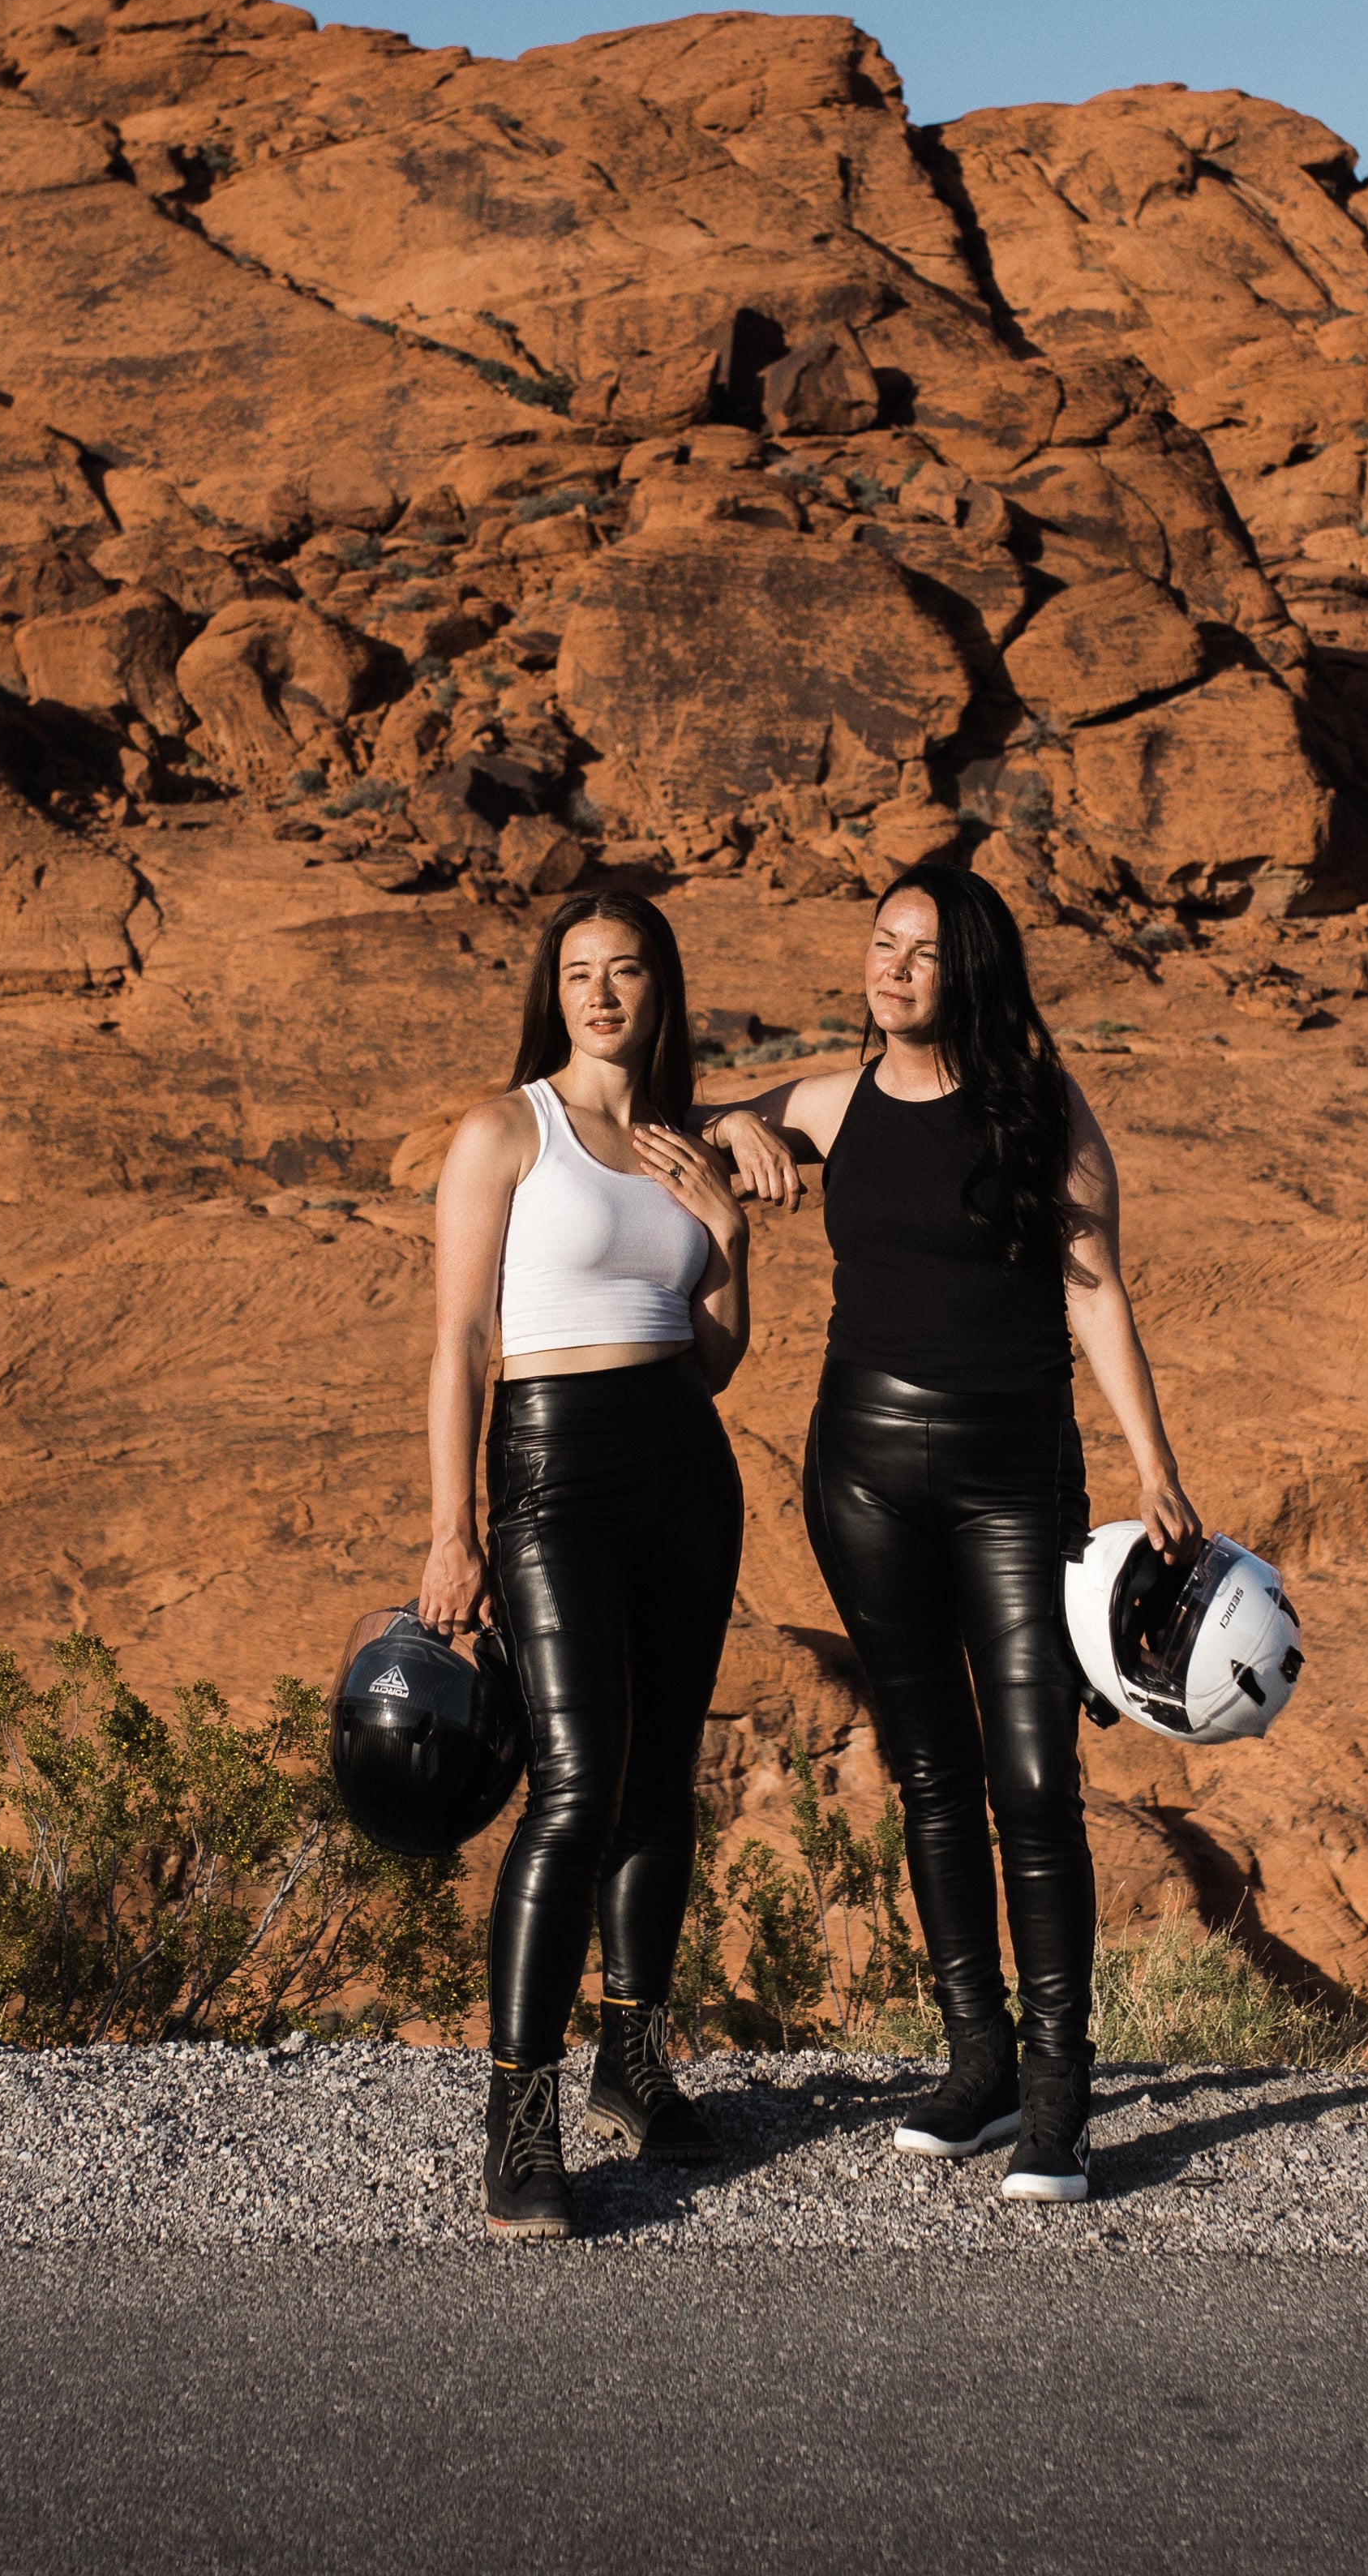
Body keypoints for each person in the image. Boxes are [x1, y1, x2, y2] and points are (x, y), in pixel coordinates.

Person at [708, 858, 1203, 2206]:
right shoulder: (827, 1099)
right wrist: (739, 1130)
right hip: (863, 1471)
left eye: (922, 951)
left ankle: (1060, 2095)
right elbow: (688, 1134)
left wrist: (1153, 1465)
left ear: (969, 972)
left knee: (1033, 1778)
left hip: (1010, 1473)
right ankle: (976, 2061)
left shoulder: (1040, 1106)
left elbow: (1095, 1290)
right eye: (882, 943)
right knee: (930, 1773)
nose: (894, 967)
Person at [415, 889, 752, 2239]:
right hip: (552, 1471)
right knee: (575, 1790)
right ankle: (518, 2118)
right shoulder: (508, 1130)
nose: (602, 995)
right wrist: (453, 1527)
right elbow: (457, 1346)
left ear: (664, 988)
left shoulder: (677, 1145)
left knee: (665, 1781)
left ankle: (632, 2058)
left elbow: (720, 1356)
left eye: (625, 972)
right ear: (552, 993)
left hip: (685, 1461)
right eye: (578, 974)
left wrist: (730, 1225)